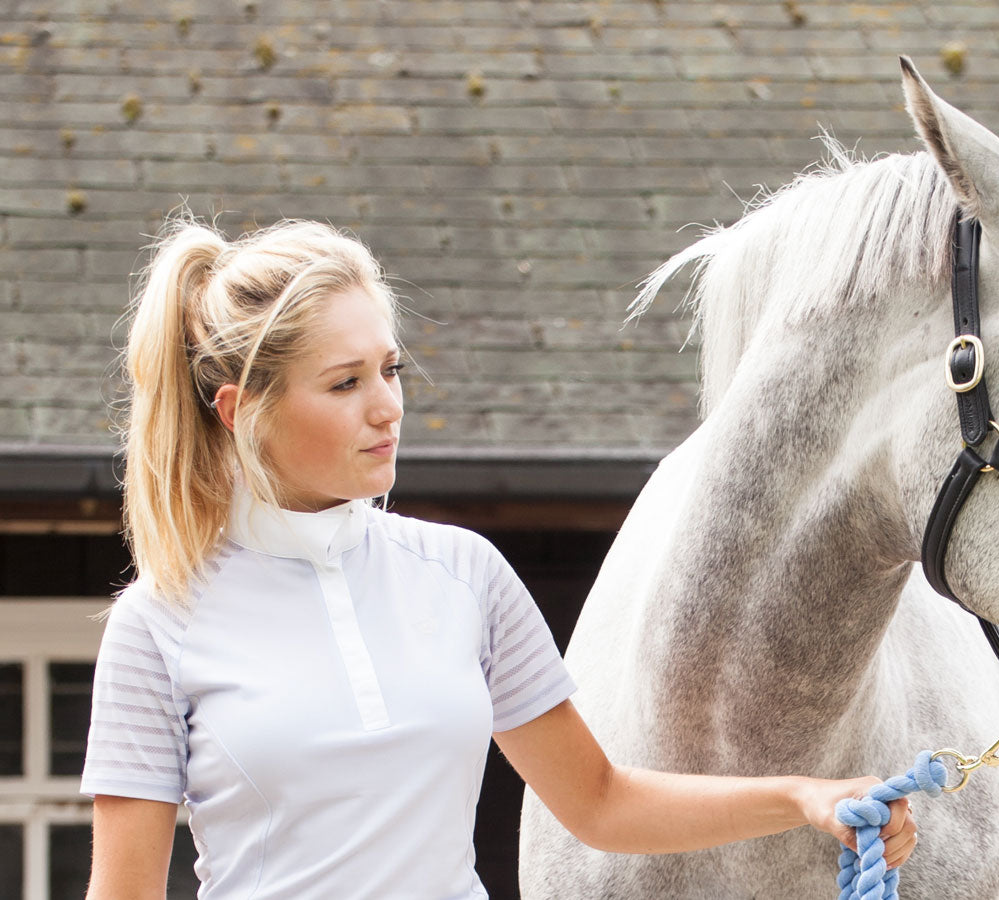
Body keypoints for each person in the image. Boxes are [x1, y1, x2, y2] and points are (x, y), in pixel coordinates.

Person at [81, 216, 917, 899]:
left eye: (390, 370)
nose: (387, 408)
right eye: (344, 384)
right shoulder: (158, 628)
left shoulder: (464, 575)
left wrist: (806, 797)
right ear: (241, 410)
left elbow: (599, 801)